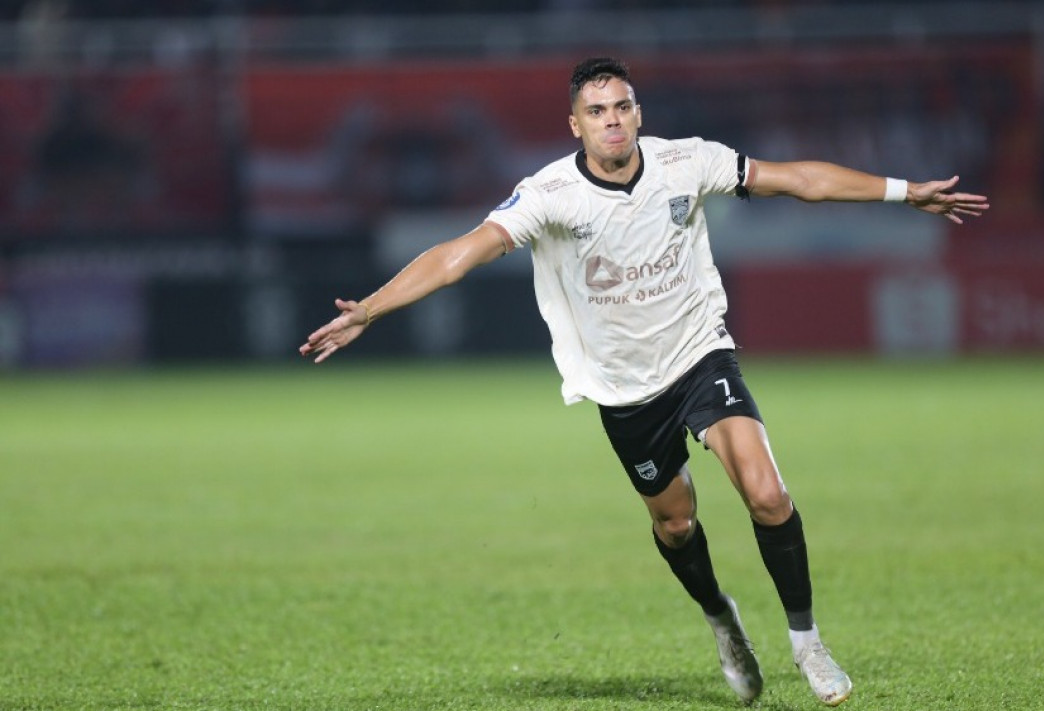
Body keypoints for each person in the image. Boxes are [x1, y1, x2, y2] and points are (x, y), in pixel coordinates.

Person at [301, 57, 990, 706]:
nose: (612, 120)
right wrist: (368, 309)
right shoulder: (550, 195)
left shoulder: (685, 161)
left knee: (766, 494)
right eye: (596, 110)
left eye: (622, 106)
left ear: (637, 112)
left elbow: (798, 180)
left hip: (699, 355)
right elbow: (457, 256)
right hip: (625, 390)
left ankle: (807, 641)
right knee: (675, 519)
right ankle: (721, 617)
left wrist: (904, 193)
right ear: (575, 124)